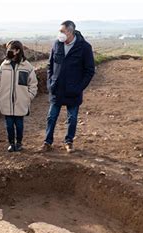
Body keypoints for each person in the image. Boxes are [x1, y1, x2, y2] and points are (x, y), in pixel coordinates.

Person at [42, 20, 95, 153]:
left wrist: (79, 87)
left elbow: (89, 70)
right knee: (51, 117)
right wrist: (50, 83)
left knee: (72, 118)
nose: (60, 34)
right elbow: (50, 66)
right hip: (57, 88)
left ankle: (69, 141)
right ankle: (47, 142)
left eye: (62, 31)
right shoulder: (56, 44)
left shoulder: (84, 47)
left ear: (70, 32)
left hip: (73, 90)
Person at [0, 40, 38, 152]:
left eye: (11, 49)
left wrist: (28, 96)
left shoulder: (27, 66)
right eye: (8, 49)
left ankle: (19, 143)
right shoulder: (4, 66)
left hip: (21, 102)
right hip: (6, 102)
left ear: (18, 50)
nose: (8, 51)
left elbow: (33, 84)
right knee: (9, 125)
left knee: (19, 125)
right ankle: (11, 143)